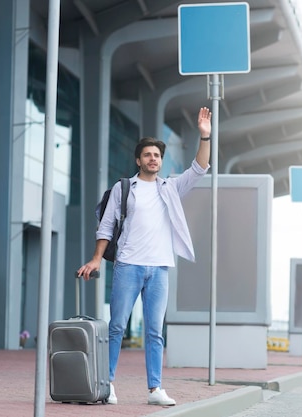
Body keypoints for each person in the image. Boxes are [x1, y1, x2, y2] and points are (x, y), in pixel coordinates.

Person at [77, 106, 212, 406]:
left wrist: (205, 137)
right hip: (128, 265)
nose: (154, 159)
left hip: (159, 269)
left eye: (158, 155)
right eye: (149, 155)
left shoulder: (171, 188)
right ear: (138, 160)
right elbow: (107, 227)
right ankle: (106, 384)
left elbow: (199, 169)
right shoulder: (123, 188)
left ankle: (155, 389)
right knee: (116, 327)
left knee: (154, 331)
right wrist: (97, 258)